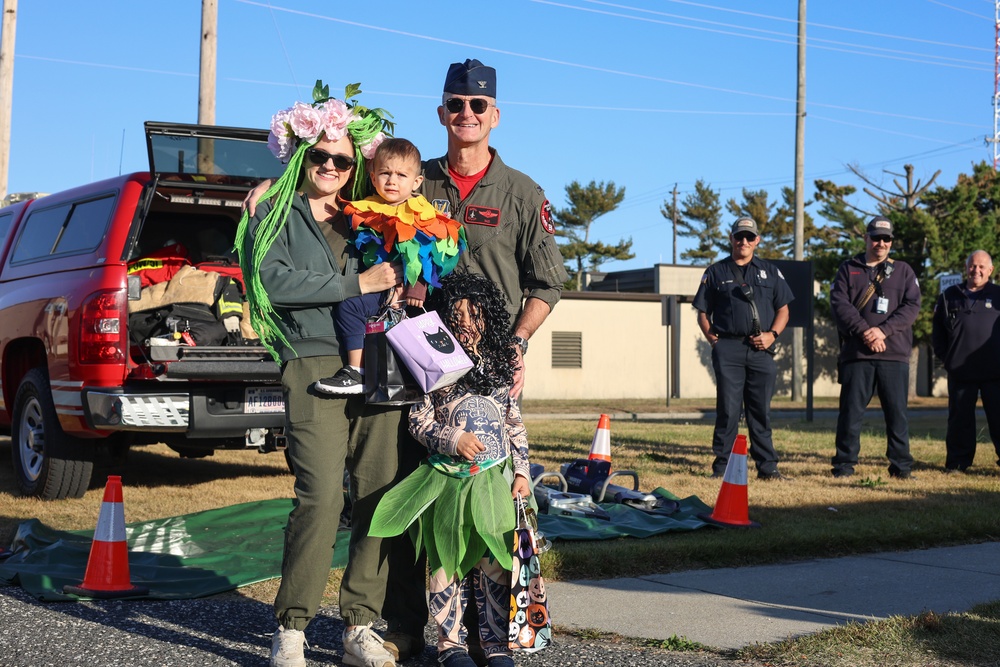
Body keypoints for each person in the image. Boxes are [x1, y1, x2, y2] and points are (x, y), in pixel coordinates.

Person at [245, 59, 568, 665]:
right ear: (441, 112)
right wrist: (272, 183)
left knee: (486, 502)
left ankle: (489, 633)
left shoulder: (523, 193)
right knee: (404, 493)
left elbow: (548, 283)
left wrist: (518, 342)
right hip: (412, 362)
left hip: (488, 371)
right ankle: (407, 627)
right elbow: (333, 192)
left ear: (495, 115)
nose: (466, 115)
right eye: (455, 105)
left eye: (478, 106)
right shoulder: (413, 175)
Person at [236, 83, 427, 667]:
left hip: (382, 364)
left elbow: (415, 198)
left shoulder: (369, 213)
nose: (331, 166)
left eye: (343, 159)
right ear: (301, 154)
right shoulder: (273, 212)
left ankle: (359, 626)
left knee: (378, 495)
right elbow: (273, 283)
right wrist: (355, 284)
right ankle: (292, 626)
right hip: (311, 362)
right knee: (319, 496)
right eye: (319, 155)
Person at [370, 271, 530, 667]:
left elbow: (514, 422)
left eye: (477, 318)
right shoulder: (434, 361)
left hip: (494, 482)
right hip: (448, 482)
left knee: (494, 564)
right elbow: (418, 421)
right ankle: (450, 644)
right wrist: (452, 440)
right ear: (445, 318)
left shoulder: (501, 361)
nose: (469, 327)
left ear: (489, 317)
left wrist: (523, 472)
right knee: (447, 563)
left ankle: (495, 645)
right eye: (458, 318)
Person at [314, 137, 467, 395]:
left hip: (407, 294)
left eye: (401, 175)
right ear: (372, 177)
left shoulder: (423, 213)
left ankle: (355, 370)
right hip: (379, 286)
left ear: (417, 182)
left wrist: (417, 287)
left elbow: (435, 252)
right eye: (385, 173)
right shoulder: (366, 208)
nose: (392, 181)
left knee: (349, 308)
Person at [692, 217, 794, 480]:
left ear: (757, 240)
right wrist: (714, 341)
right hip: (729, 349)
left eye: (750, 237)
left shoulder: (771, 272)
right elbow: (702, 312)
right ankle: (722, 466)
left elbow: (783, 309)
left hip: (762, 350)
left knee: (760, 410)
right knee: (728, 408)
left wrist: (773, 335)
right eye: (740, 237)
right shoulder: (715, 272)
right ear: (731, 239)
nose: (744, 241)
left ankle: (767, 467)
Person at [830, 215, 921, 479]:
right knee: (850, 413)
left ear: (891, 242)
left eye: (886, 239)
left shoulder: (904, 271)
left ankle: (901, 467)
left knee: (897, 415)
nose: (881, 243)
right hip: (857, 354)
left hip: (894, 355)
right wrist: (865, 332)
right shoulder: (848, 268)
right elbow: (839, 304)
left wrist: (882, 330)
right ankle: (844, 466)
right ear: (866, 238)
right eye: (876, 237)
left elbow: (911, 307)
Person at [931, 250, 1000, 472]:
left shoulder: (999, 295)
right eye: (972, 266)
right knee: (960, 420)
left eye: (981, 267)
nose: (976, 270)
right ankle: (958, 462)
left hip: (995, 372)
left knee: (999, 419)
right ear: (966, 267)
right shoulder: (949, 295)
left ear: (991, 270)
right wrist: (947, 359)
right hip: (960, 370)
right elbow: (938, 333)